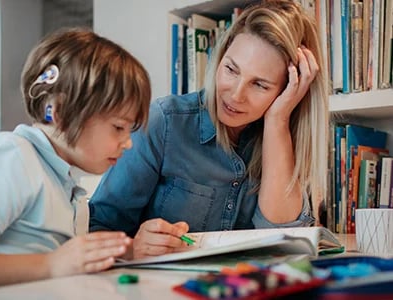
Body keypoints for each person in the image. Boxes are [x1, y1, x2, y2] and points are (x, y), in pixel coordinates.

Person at [0, 28, 151, 296]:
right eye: (118, 127)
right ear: (61, 114)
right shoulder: (11, 157)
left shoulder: (60, 179)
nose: (128, 143)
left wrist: (123, 251)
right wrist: (51, 265)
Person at [89, 0, 329, 260]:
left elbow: (286, 243)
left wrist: (277, 121)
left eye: (259, 84)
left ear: (288, 90)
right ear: (220, 56)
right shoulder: (165, 122)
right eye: (230, 69)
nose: (235, 95)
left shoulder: (287, 139)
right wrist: (134, 247)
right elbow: (97, 229)